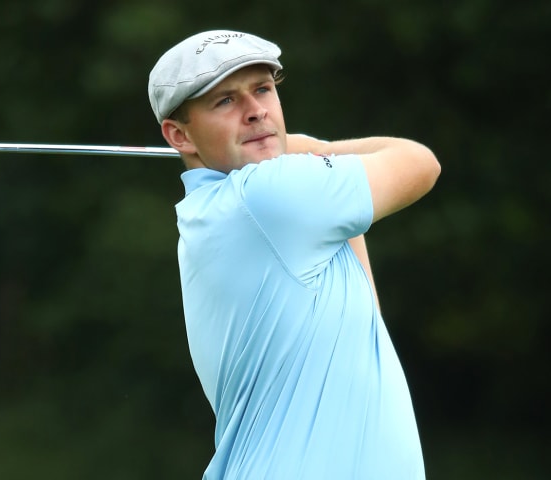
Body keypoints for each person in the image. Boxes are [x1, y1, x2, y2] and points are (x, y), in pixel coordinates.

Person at [148, 30, 440, 479]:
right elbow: (420, 163)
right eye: (225, 101)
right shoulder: (268, 198)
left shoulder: (220, 213)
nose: (256, 111)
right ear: (179, 135)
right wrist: (320, 151)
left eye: (262, 89)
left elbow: (367, 317)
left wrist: (305, 159)